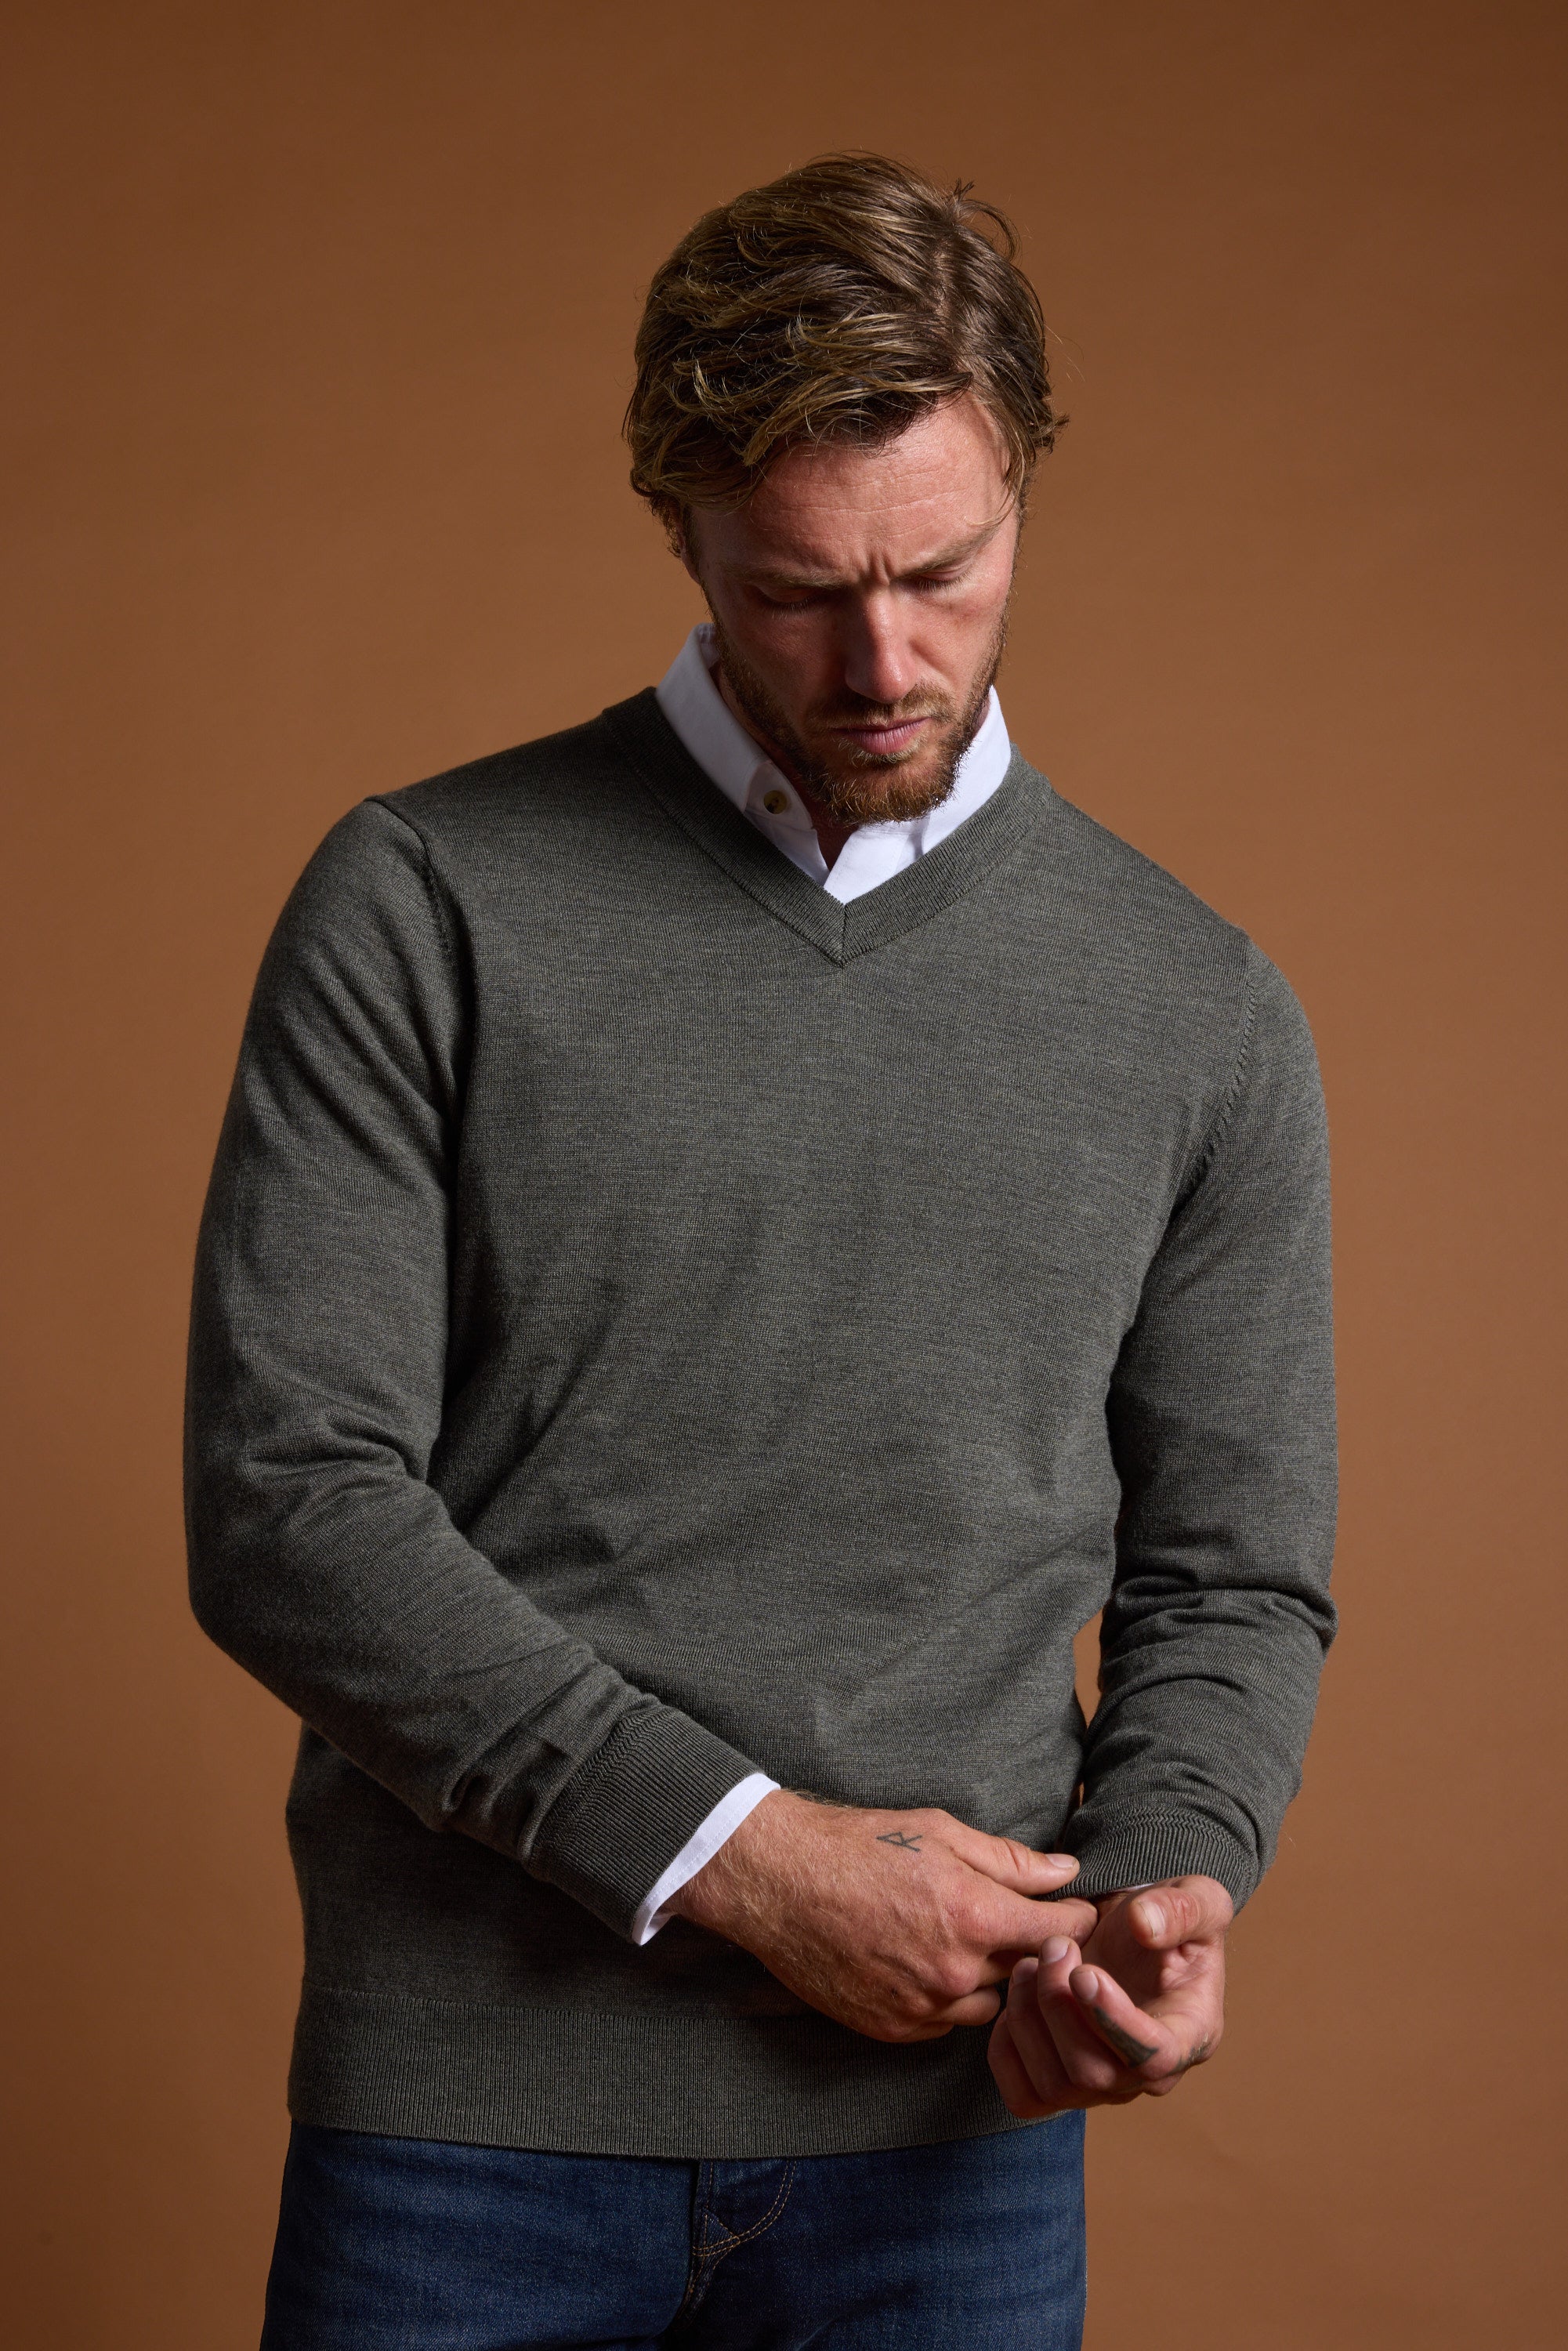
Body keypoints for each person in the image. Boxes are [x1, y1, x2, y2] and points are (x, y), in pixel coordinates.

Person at [186, 152, 1337, 2350]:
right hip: (469, 2139)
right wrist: (741, 1858)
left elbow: (1229, 1579)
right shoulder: (425, 901)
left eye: (943, 571)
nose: (883, 660)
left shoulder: (1197, 1007)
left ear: (1022, 488)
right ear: (681, 527)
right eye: (798, 589)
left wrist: (1160, 1894)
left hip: (948, 2155)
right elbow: (287, 1503)